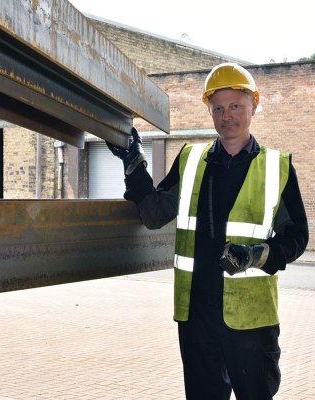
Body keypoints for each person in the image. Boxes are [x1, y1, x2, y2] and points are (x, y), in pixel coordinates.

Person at [106, 62, 309, 400]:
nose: (226, 116)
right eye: (218, 108)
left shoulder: (278, 167)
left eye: (235, 106)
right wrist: (134, 163)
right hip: (197, 319)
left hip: (252, 325)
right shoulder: (189, 159)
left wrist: (256, 255)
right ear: (210, 111)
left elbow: (297, 237)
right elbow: (155, 213)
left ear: (254, 106)